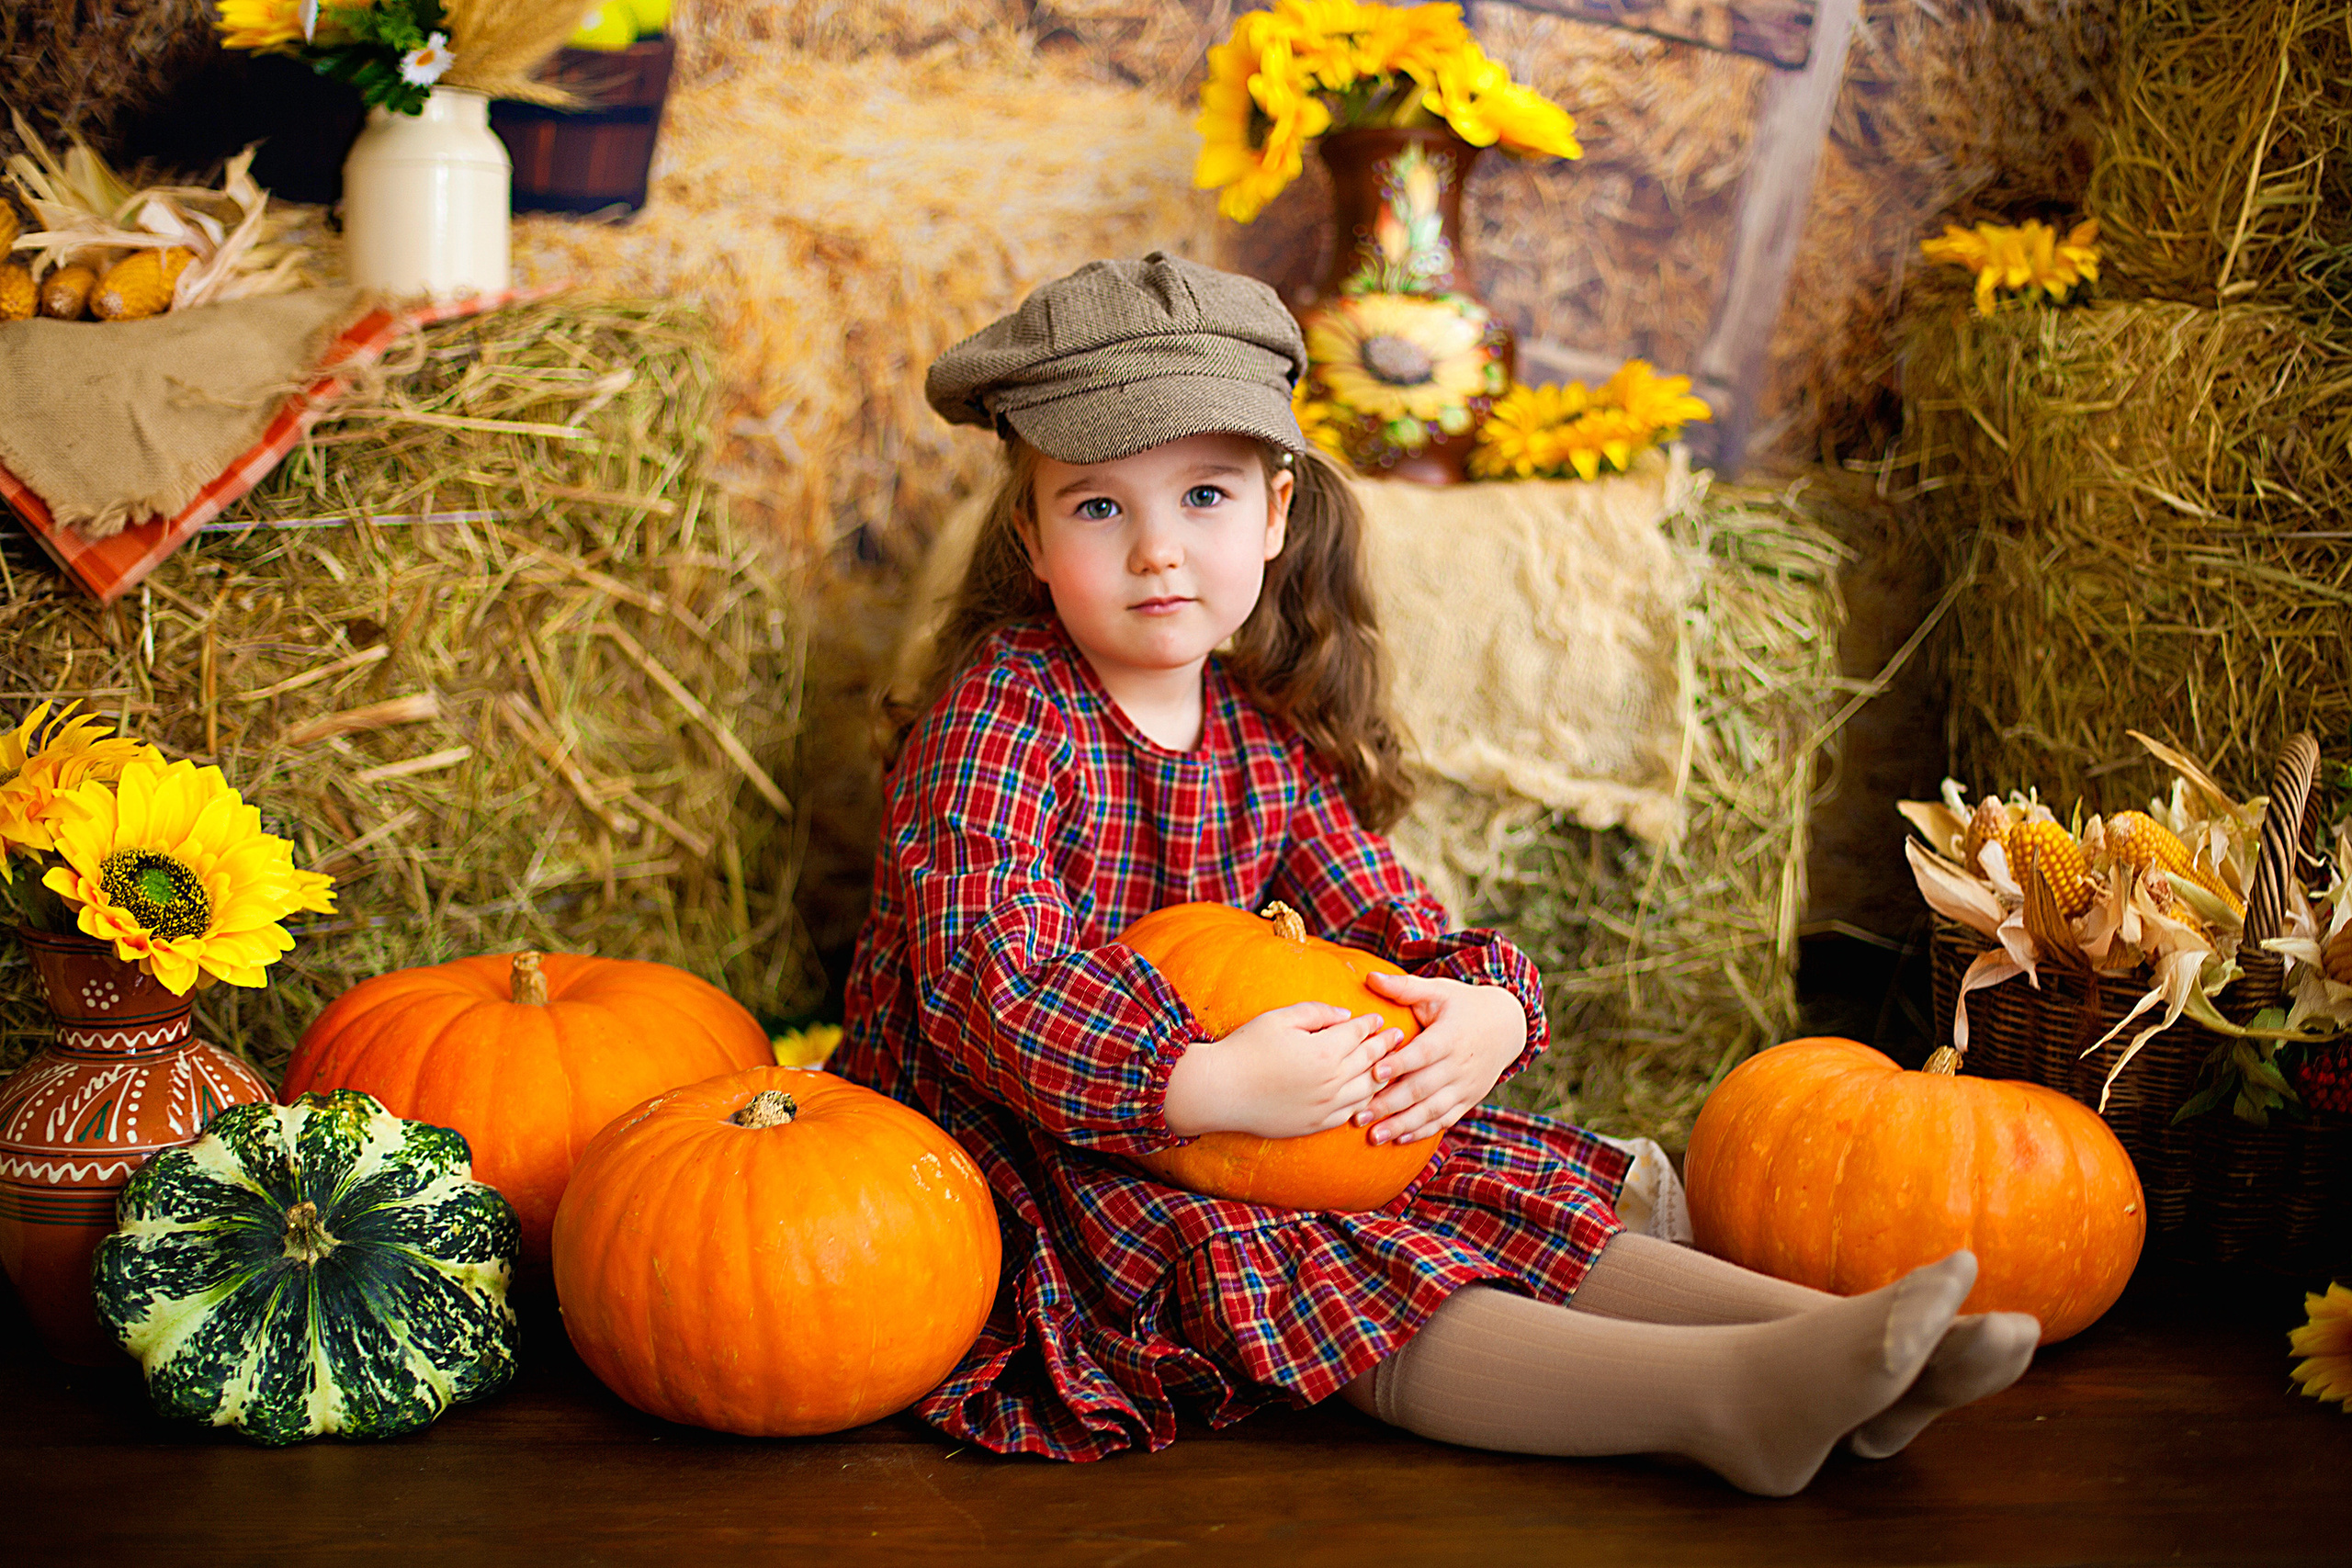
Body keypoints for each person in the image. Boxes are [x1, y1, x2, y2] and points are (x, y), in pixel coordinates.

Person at [832, 253, 2038, 1494]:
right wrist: (1198, 1082)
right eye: (1098, 508)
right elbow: (990, 979)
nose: (1158, 553)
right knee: (1305, 1250)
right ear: (1029, 533)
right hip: (1037, 1148)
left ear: (1278, 514)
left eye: (1203, 496)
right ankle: (1720, 1399)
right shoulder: (1003, 716)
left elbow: (1384, 912)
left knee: (1467, 1166)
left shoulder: (1259, 731)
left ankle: (1818, 1335)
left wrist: (1483, 1006)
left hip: (1254, 1107)